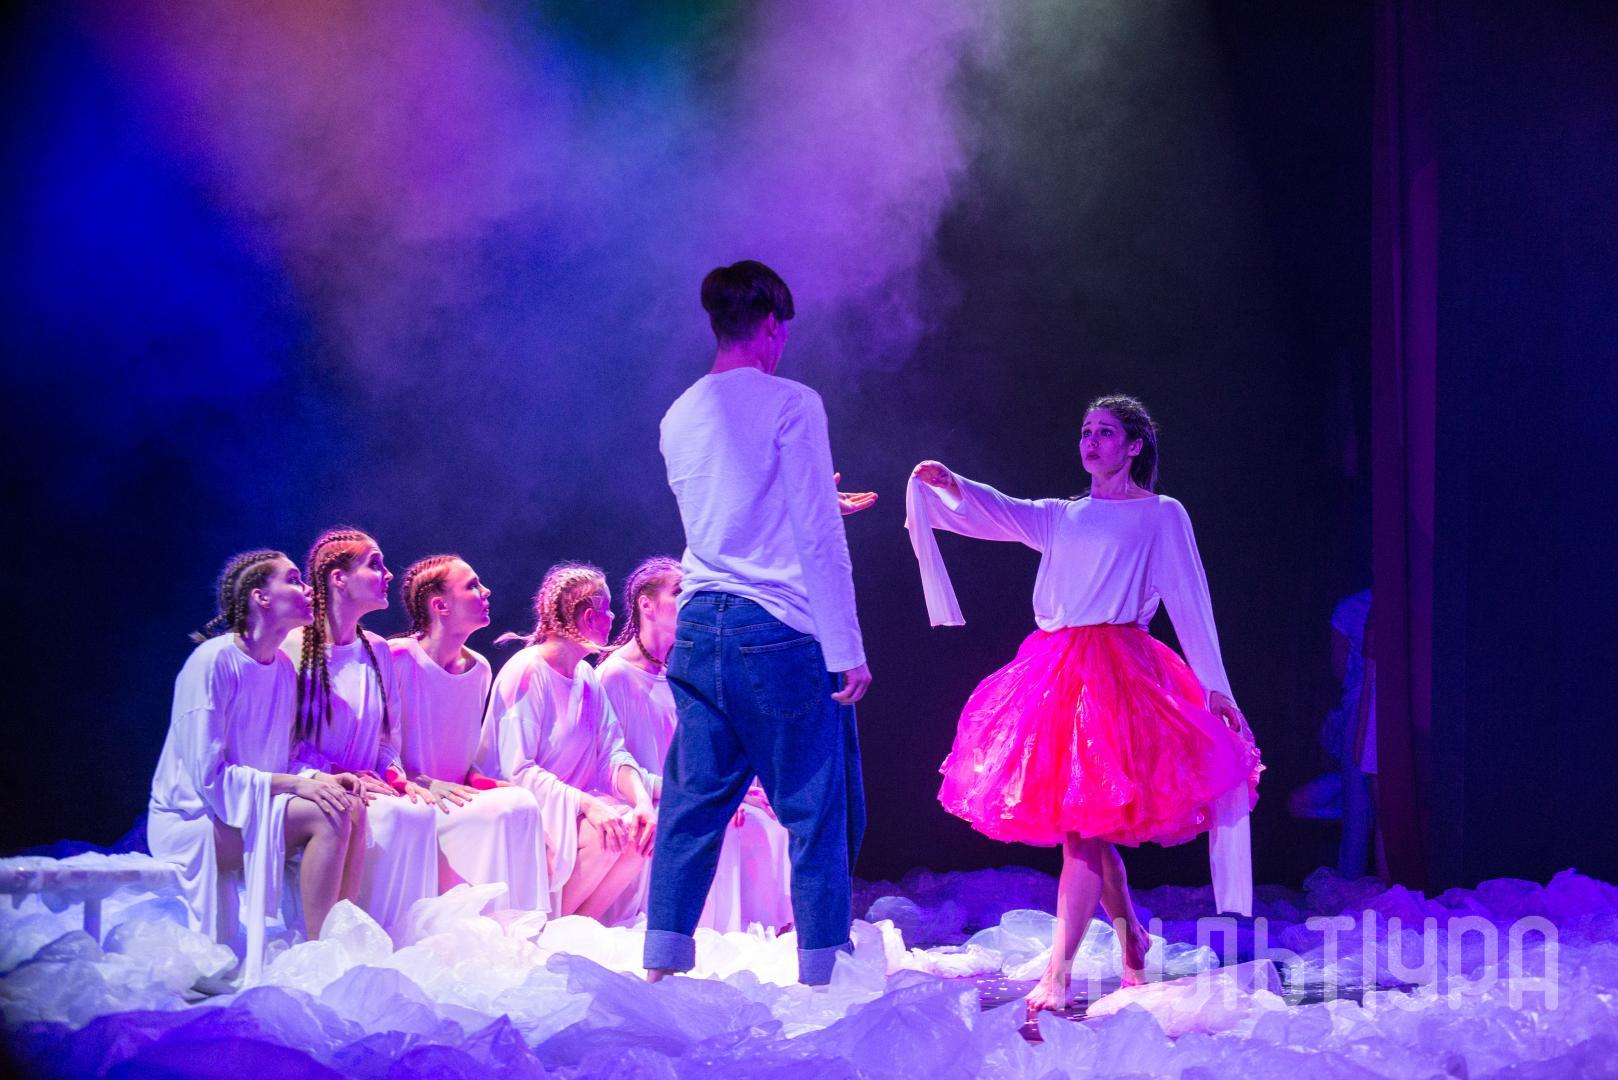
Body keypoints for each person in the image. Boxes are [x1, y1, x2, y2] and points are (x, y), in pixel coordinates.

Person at [907, 394, 1262, 1012]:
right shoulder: (1061, 515)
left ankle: (1059, 973)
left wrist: (1215, 686)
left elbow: (1190, 598)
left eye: (1105, 432)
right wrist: (951, 484)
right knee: (1087, 831)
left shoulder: (1161, 514)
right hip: (1055, 678)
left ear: (1134, 446)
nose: (1091, 441)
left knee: (1083, 832)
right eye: (1085, 431)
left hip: (1121, 679)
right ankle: (1132, 943)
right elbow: (1000, 511)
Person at [644, 260, 876, 987]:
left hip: (697, 624)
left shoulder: (678, 414)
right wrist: (847, 646)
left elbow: (729, 510)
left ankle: (661, 968)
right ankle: (824, 976)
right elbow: (815, 533)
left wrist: (806, 502)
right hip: (775, 628)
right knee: (817, 807)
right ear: (772, 324)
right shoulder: (792, 402)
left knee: (690, 807)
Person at [148, 549, 364, 980]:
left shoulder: (281, 667)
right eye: (294, 579)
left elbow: (282, 756)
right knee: (327, 814)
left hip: (243, 808)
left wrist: (318, 777)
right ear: (261, 597)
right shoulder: (213, 662)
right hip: (194, 819)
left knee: (350, 804)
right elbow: (209, 777)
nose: (308, 589)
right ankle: (316, 954)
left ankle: (336, 941)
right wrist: (296, 785)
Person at [599, 557, 793, 932]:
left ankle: (768, 936)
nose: (690, 600)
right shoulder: (614, 675)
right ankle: (704, 936)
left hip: (686, 793)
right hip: (643, 800)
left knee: (773, 823)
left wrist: (734, 791)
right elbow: (611, 761)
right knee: (720, 828)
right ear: (646, 604)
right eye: (679, 592)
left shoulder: (683, 672)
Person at [284, 528, 440, 940]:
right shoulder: (293, 648)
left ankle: (386, 936)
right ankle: (338, 934)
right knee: (390, 816)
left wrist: (394, 777)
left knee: (418, 812)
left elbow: (387, 739)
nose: (388, 574)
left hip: (367, 785)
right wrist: (338, 774)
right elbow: (283, 744)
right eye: (374, 564)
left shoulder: (376, 649)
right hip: (311, 785)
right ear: (338, 578)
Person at [476, 562, 655, 921]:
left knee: (641, 834)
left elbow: (612, 753)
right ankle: (551, 926)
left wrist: (641, 802)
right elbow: (516, 769)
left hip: (570, 806)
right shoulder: (528, 670)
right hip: (527, 808)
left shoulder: (586, 676)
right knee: (607, 834)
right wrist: (586, 804)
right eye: (607, 609)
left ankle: (581, 927)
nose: (613, 617)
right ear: (588, 616)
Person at [387, 555, 549, 913]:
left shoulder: (480, 669)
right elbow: (377, 746)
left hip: (453, 795)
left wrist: (480, 780)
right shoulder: (396, 658)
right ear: (440, 605)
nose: (486, 591)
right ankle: (480, 918)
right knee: (500, 813)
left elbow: (461, 752)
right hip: (410, 797)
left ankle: (516, 923)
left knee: (521, 802)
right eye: (472, 585)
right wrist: (419, 781)